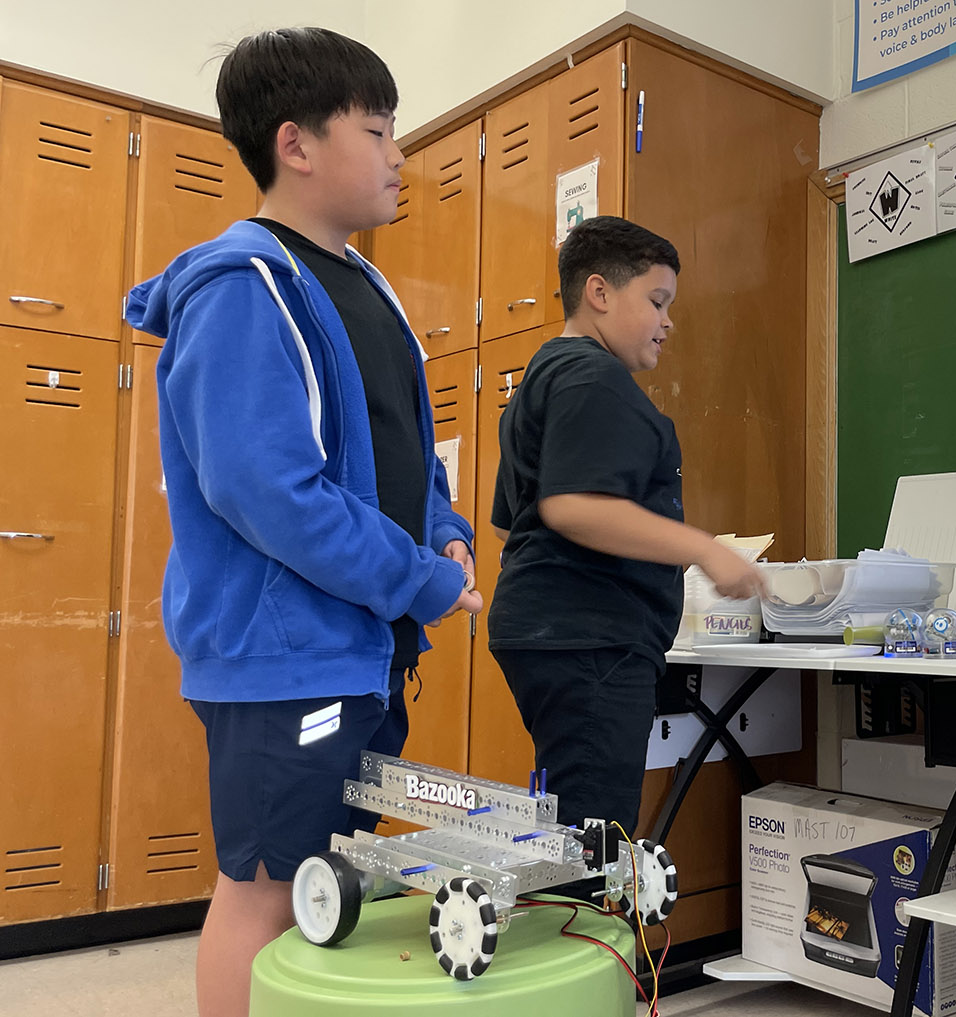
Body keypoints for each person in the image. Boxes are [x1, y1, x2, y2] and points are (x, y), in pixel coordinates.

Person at [123, 27, 480, 1017]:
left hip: (361, 653)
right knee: (266, 893)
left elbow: (402, 453)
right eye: (378, 130)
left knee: (323, 888)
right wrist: (417, 577)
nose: (401, 154)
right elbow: (270, 491)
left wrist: (441, 527)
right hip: (287, 664)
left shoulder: (366, 286)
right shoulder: (241, 289)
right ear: (297, 144)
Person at [488, 216, 763, 837]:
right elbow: (572, 507)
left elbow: (509, 528)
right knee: (596, 840)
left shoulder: (543, 375)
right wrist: (705, 550)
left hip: (547, 631)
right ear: (600, 293)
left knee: (574, 819)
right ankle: (590, 905)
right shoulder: (594, 377)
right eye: (657, 301)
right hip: (590, 639)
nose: (669, 322)